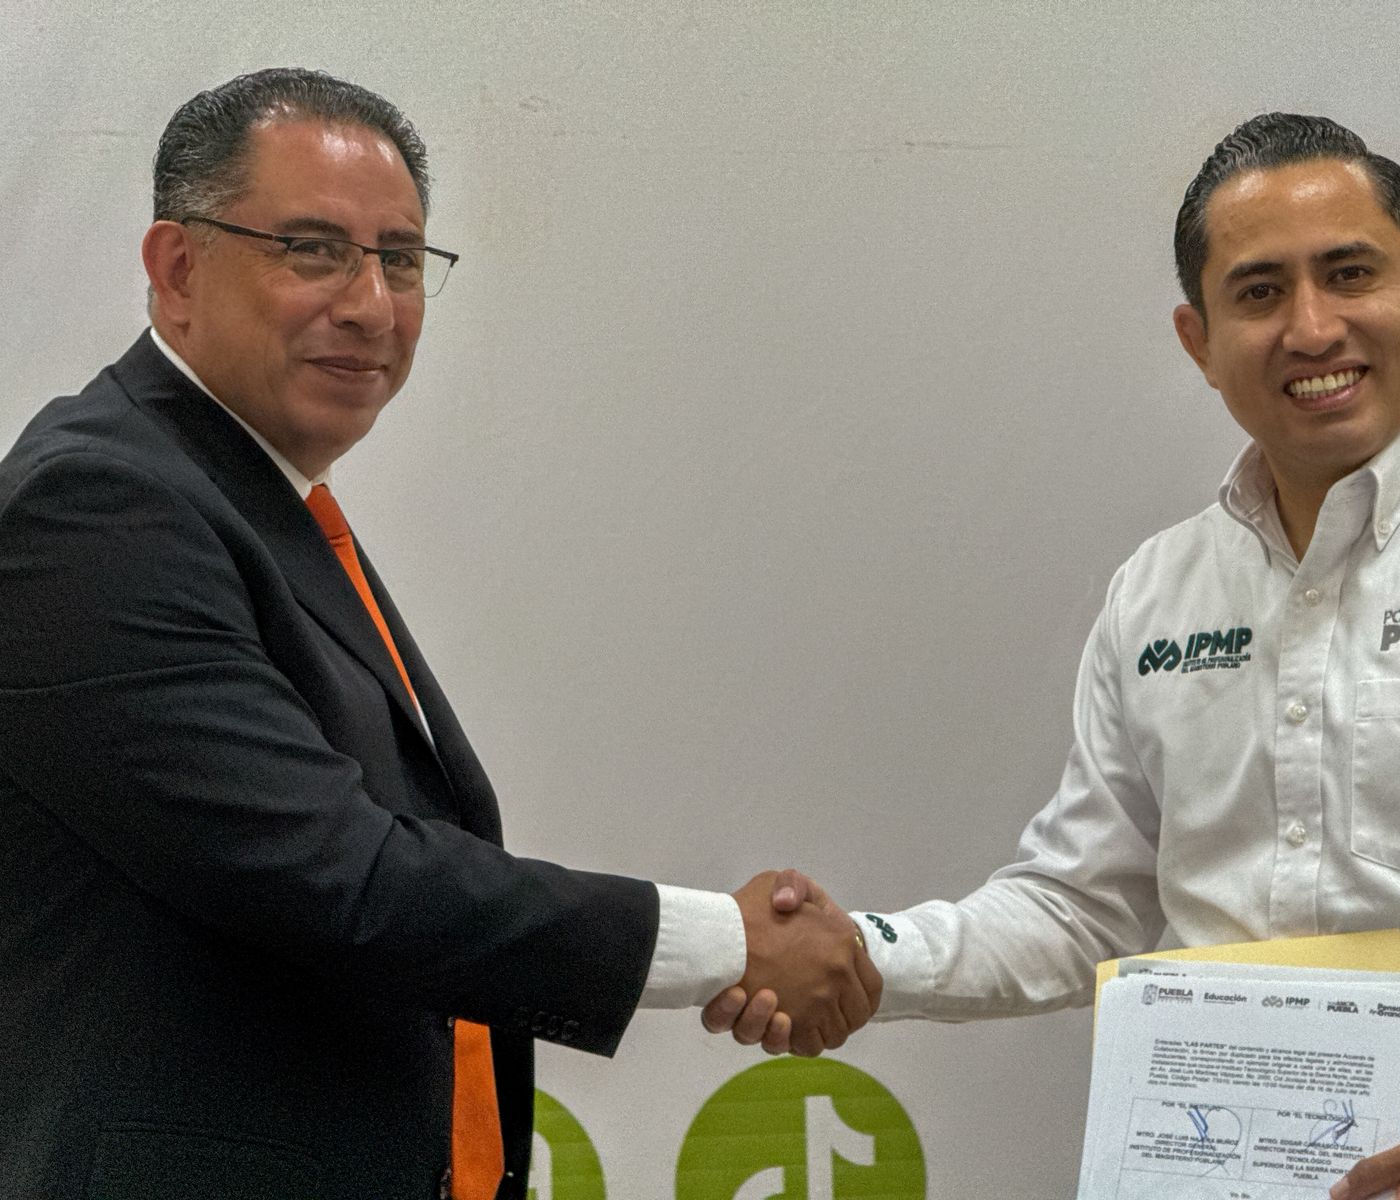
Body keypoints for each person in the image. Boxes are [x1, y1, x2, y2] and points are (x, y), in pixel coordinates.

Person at [0, 68, 877, 1200]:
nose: (371, 305)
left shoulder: (249, 498)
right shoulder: (97, 505)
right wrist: (727, 942)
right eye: (313, 249)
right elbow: (341, 877)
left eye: (402, 260)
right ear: (177, 270)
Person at [707, 113, 1400, 1199]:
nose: (1312, 327)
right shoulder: (1157, 592)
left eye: (1349, 273)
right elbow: (1080, 906)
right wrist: (861, 951)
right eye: (1259, 292)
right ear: (1199, 340)